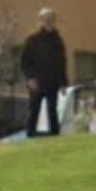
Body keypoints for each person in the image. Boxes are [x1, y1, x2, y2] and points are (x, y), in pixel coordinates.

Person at [19, 8, 68, 138]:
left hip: (53, 82)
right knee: (34, 110)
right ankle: (30, 136)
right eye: (46, 20)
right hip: (37, 82)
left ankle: (55, 137)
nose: (49, 23)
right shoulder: (32, 40)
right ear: (40, 21)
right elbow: (24, 62)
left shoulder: (58, 41)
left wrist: (63, 83)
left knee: (53, 110)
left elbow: (62, 63)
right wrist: (30, 78)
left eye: (51, 20)